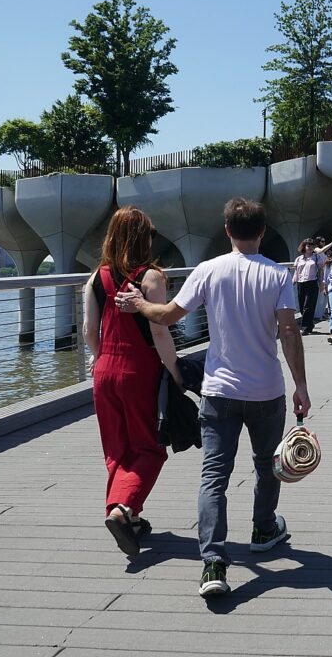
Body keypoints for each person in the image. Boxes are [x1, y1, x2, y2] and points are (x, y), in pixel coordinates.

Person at [116, 198, 311, 598]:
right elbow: (289, 333)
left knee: (213, 476)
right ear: (262, 231)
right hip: (266, 390)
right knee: (267, 465)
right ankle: (262, 528)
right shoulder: (277, 275)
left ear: (226, 231)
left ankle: (213, 564)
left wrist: (139, 304)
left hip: (218, 389)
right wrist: (301, 386)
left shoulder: (207, 270)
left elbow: (169, 315)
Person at [83, 206, 181, 556]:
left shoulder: (97, 277)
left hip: (103, 370)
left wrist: (101, 357)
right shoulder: (151, 278)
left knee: (116, 450)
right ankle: (122, 509)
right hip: (138, 372)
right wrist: (175, 371)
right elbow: (160, 331)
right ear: (143, 238)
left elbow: (88, 331)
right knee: (149, 449)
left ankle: (128, 515)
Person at [293, 238, 325, 336]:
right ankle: (310, 324)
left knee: (308, 306)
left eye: (311, 245)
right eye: (308, 245)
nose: (310, 247)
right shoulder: (299, 259)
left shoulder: (316, 258)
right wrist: (293, 280)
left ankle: (305, 327)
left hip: (312, 282)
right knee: (302, 305)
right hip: (301, 283)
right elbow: (296, 271)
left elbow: (320, 270)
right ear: (304, 247)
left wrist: (321, 283)